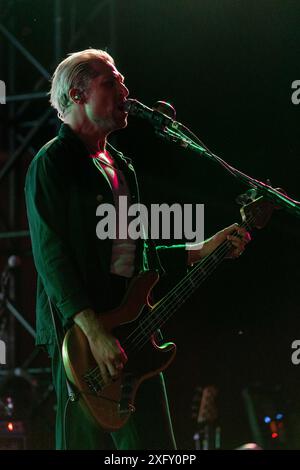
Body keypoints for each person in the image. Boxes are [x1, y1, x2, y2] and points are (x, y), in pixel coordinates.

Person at [25, 49, 250, 450]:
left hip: (134, 331)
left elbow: (136, 255)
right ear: (77, 94)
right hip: (82, 341)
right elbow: (50, 255)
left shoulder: (121, 166)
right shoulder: (53, 162)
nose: (126, 91)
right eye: (111, 82)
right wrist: (93, 331)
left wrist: (204, 248)